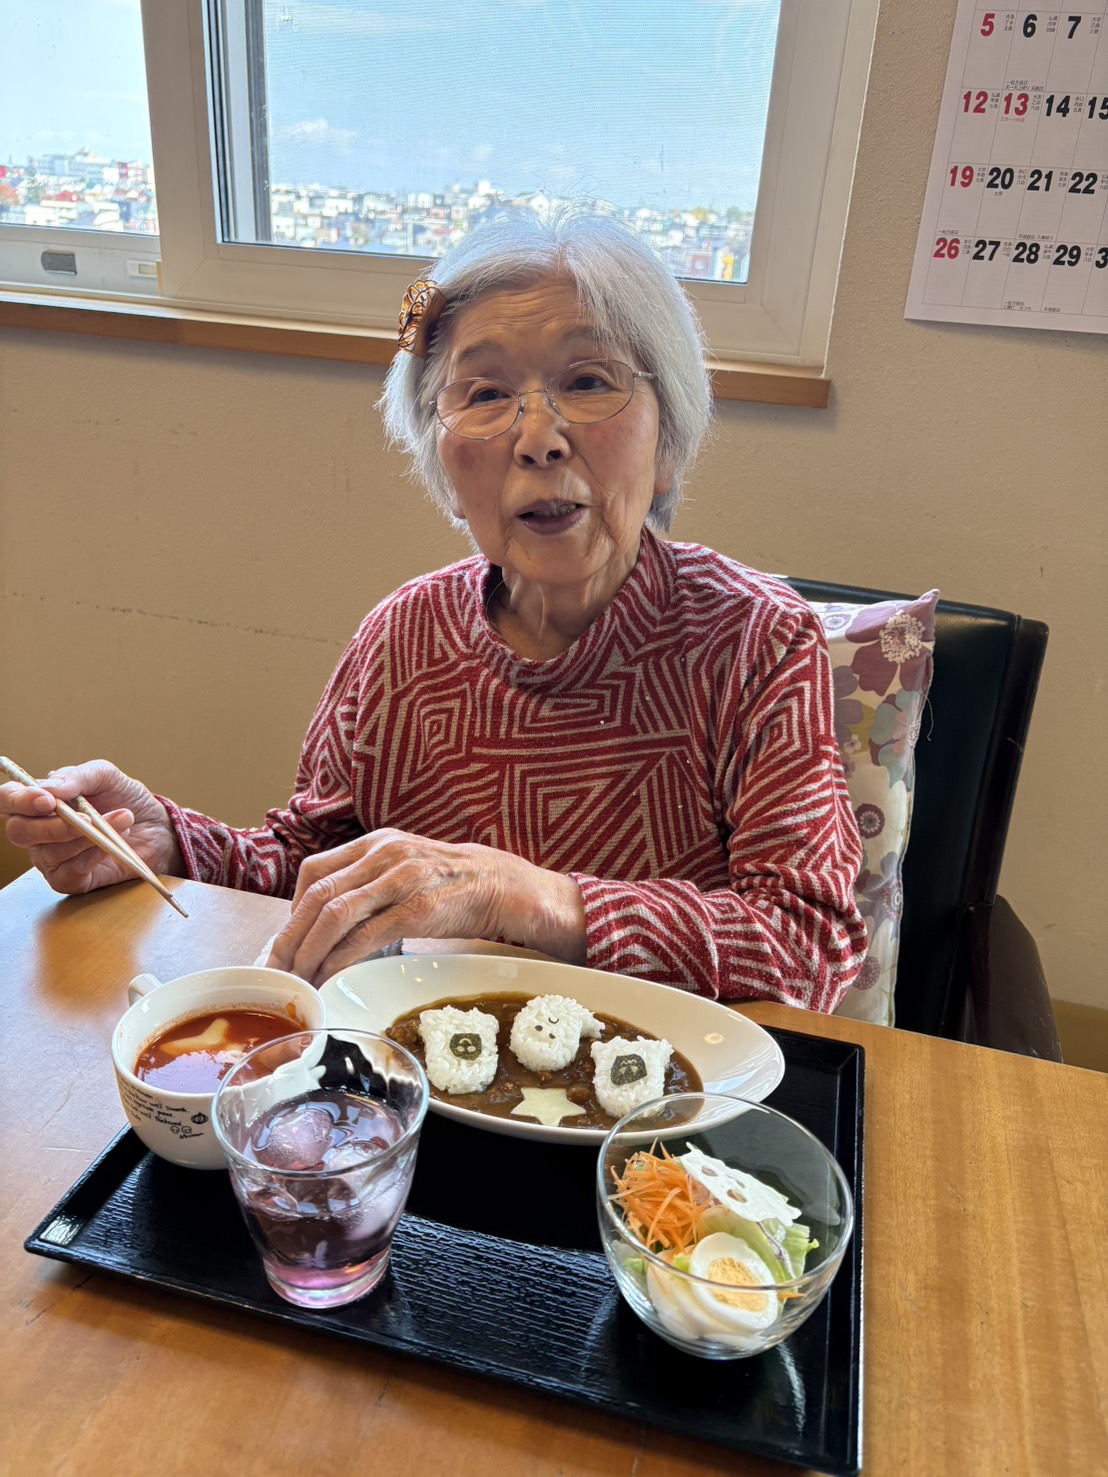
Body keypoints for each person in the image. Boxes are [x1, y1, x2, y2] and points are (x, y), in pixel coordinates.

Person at [0, 207, 866, 1008]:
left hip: (661, 1095)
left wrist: (533, 898)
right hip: (416, 1085)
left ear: (669, 438)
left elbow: (811, 946)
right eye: (484, 395)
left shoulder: (755, 640)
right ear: (442, 467)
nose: (538, 438)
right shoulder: (404, 635)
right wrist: (166, 841)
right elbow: (312, 867)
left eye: (589, 380)